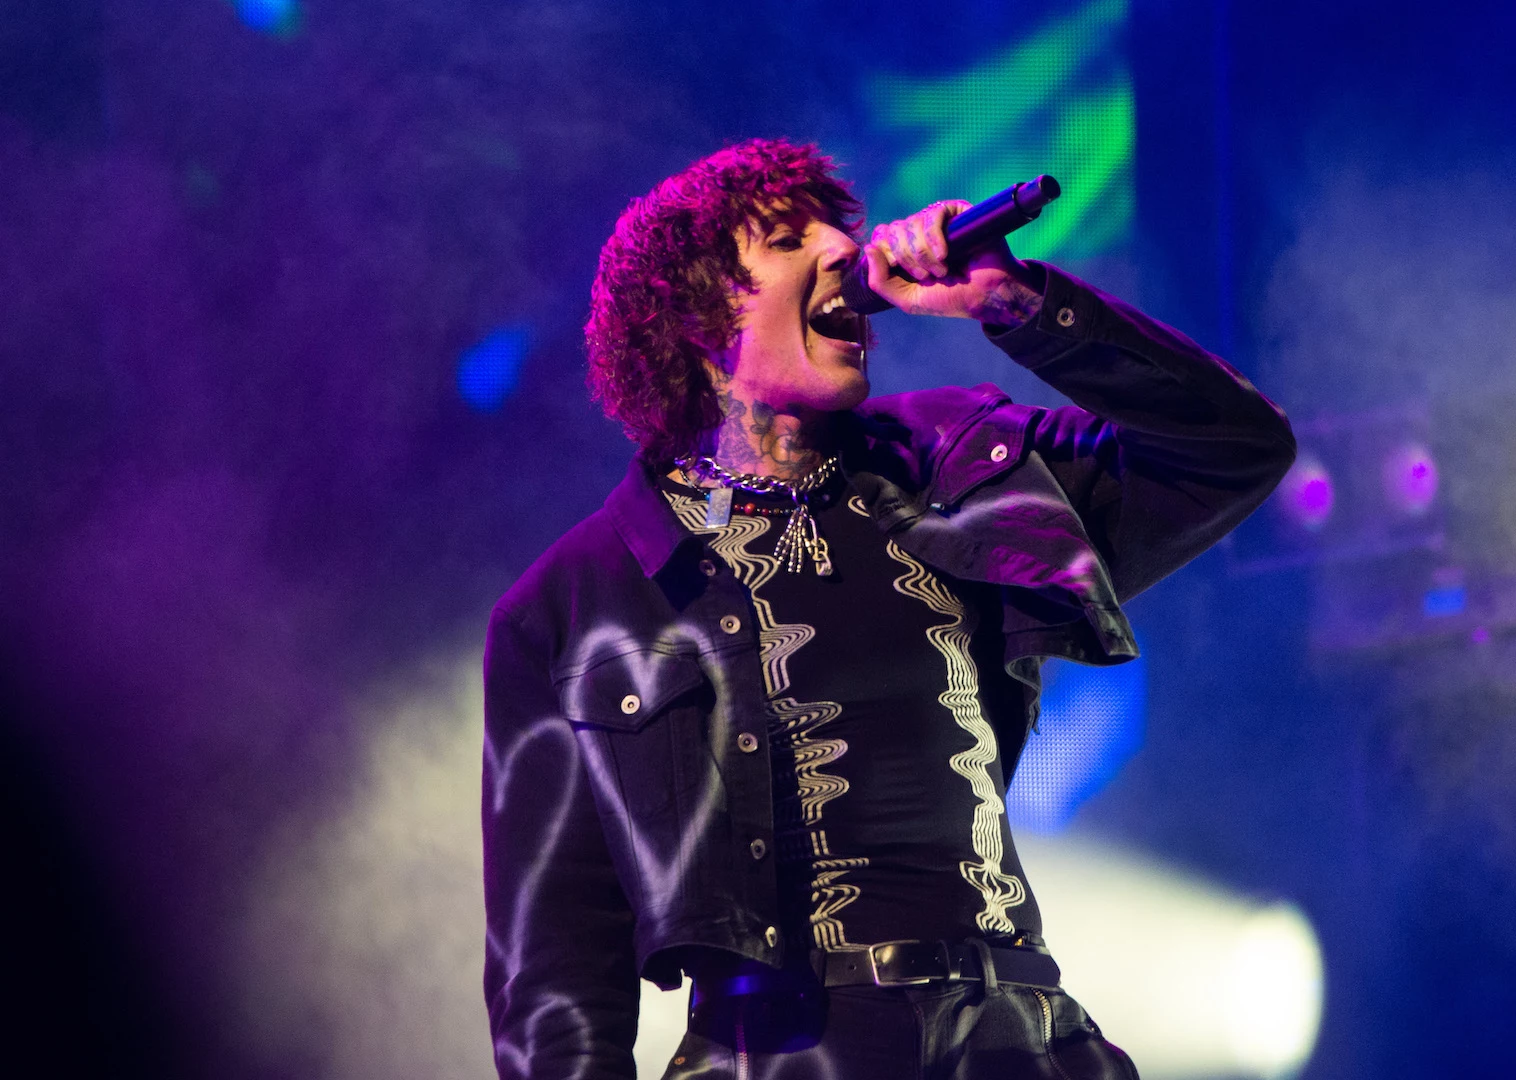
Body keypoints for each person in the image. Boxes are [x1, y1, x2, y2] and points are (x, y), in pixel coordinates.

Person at [481, 139, 1295, 1079]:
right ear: (699, 317)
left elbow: (1237, 447)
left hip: (1019, 1039)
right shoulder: (573, 605)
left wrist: (1017, 304)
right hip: (783, 1054)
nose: (844, 251)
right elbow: (554, 978)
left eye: (844, 229)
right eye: (789, 239)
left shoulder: (964, 463)